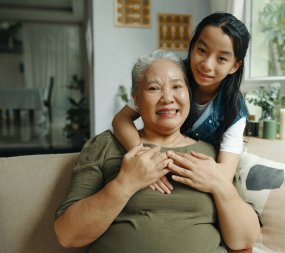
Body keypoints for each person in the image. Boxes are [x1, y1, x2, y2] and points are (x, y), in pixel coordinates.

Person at [54, 50, 261, 253]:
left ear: (188, 94)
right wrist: (125, 184)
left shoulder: (211, 152)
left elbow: (243, 240)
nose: (167, 98)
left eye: (177, 86)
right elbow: (67, 235)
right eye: (154, 88)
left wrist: (220, 185)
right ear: (135, 100)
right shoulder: (106, 145)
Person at [112, 12, 251, 194]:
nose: (207, 65)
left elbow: (224, 174)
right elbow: (121, 119)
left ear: (235, 66)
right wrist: (143, 157)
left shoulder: (235, 109)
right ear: (192, 45)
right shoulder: (171, 73)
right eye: (202, 50)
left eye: (221, 59)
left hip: (195, 178)